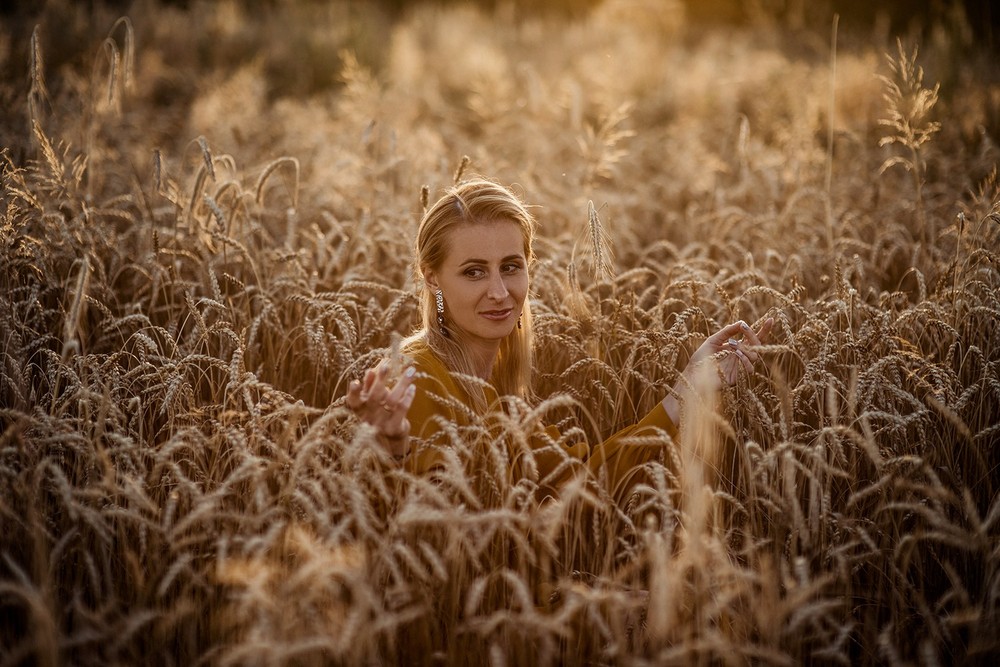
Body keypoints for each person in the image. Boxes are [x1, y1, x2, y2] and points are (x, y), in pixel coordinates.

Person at [346, 177, 772, 503]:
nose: (499, 291)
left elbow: (580, 482)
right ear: (431, 277)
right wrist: (394, 452)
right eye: (474, 271)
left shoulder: (498, 382)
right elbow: (437, 527)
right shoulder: (412, 377)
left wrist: (688, 390)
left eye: (510, 267)